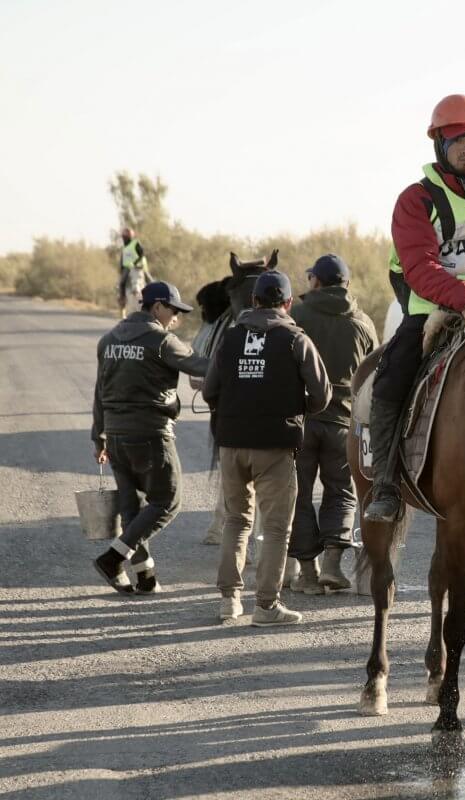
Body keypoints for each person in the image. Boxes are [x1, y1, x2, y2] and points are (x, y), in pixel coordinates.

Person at [365, 93, 465, 524]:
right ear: (440, 145)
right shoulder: (415, 199)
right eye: (457, 140)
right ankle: (385, 485)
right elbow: (420, 267)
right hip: (431, 303)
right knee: (393, 374)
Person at [203, 270, 331, 625]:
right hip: (275, 446)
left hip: (231, 445)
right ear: (288, 303)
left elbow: (211, 391)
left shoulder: (229, 338)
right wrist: (295, 407)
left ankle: (229, 600)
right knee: (275, 528)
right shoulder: (295, 339)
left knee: (236, 520)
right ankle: (266, 606)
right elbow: (322, 395)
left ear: (254, 301)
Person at [91, 281, 208, 594]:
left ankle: (145, 577)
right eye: (173, 311)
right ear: (157, 307)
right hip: (150, 434)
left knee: (132, 509)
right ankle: (113, 559)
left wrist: (98, 437)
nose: (175, 318)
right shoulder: (161, 341)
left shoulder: (109, 339)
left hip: (115, 435)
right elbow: (202, 365)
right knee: (168, 501)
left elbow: (99, 392)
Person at [287, 254, 379, 594]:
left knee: (298, 494)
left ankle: (307, 574)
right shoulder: (364, 323)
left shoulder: (297, 315)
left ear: (317, 282)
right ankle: (333, 566)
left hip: (303, 421)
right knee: (341, 492)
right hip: (345, 423)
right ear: (347, 285)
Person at [116, 227, 150, 317]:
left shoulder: (135, 243)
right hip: (128, 268)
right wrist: (121, 270)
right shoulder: (125, 248)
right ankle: (122, 301)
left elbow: (142, 253)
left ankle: (154, 301)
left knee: (152, 283)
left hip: (139, 268)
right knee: (121, 283)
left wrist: (134, 262)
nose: (124, 238)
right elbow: (122, 261)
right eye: (123, 236)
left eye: (125, 236)